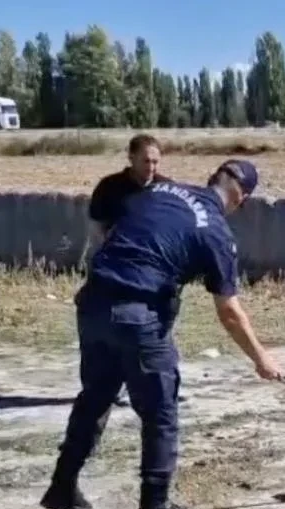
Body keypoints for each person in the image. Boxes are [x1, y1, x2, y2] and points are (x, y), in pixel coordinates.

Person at [40, 159, 284, 509]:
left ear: (212, 177)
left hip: (93, 304)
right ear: (242, 198)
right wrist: (261, 358)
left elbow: (112, 229)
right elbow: (229, 311)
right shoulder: (215, 230)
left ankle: (62, 485)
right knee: (160, 411)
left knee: (96, 395)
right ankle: (155, 507)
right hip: (138, 315)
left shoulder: (159, 191)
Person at [88, 133, 171, 410]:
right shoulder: (110, 188)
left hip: (154, 274)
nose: (151, 167)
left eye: (156, 161)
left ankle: (154, 385)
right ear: (131, 157)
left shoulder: (166, 189)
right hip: (116, 272)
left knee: (156, 329)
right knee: (114, 332)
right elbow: (97, 228)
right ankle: (106, 388)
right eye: (146, 160)